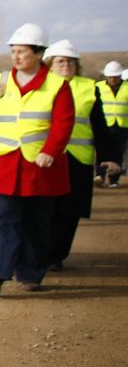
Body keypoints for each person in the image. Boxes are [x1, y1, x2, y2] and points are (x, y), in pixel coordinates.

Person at [0, 24, 74, 296]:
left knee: (35, 223)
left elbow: (63, 124)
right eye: (13, 51)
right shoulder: (0, 81)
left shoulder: (57, 85)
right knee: (1, 220)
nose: (16, 57)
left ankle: (31, 273)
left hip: (38, 168)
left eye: (22, 52)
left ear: (39, 53)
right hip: (1, 166)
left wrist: (50, 151)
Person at [43, 41, 118, 270]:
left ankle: (56, 255)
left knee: (69, 211)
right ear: (49, 65)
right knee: (45, 210)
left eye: (70, 61)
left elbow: (100, 125)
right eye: (61, 61)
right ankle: (38, 254)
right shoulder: (41, 86)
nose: (66, 65)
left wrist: (110, 156)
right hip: (47, 157)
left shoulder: (88, 88)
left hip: (78, 159)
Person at [98, 61, 127, 186]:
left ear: (120, 76)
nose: (112, 79)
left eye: (115, 77)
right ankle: (99, 176)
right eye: (110, 77)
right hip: (104, 125)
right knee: (102, 151)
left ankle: (113, 180)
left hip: (122, 125)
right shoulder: (98, 87)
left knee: (118, 153)